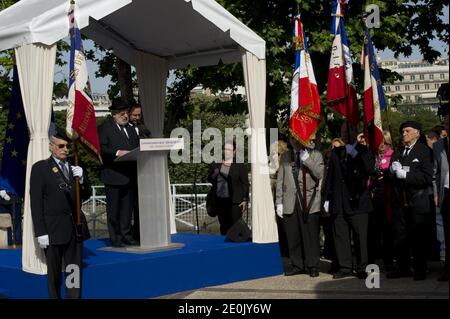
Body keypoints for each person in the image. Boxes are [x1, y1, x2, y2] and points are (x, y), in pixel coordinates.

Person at [30, 128, 90, 299]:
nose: (65, 149)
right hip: (53, 229)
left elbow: (85, 196)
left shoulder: (75, 167)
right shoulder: (41, 168)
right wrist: (41, 232)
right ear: (51, 147)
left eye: (67, 146)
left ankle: (73, 297)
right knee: (54, 273)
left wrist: (83, 180)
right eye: (61, 146)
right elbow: (36, 203)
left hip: (73, 228)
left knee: (74, 270)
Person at [324, 127, 375, 279]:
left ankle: (362, 267)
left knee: (360, 236)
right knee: (340, 235)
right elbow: (331, 176)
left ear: (355, 133)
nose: (345, 134)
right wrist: (327, 197)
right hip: (339, 200)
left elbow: (369, 169)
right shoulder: (335, 152)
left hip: (358, 200)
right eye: (343, 132)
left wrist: (355, 154)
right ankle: (345, 266)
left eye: (348, 131)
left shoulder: (364, 150)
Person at [388, 121, 433, 280]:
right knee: (400, 235)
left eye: (407, 131)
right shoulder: (399, 151)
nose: (404, 134)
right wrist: (392, 172)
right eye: (402, 132)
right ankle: (402, 267)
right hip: (400, 200)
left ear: (417, 133)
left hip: (417, 199)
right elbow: (391, 174)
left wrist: (406, 175)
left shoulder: (423, 151)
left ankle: (420, 269)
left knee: (418, 236)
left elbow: (427, 176)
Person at [276, 136, 324, 277]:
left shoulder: (316, 154)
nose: (295, 141)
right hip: (290, 200)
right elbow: (281, 179)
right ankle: (297, 264)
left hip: (308, 201)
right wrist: (278, 201)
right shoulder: (286, 156)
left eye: (297, 138)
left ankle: (312, 265)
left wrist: (307, 159)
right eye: (292, 139)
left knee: (310, 235)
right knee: (293, 235)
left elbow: (320, 173)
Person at [98, 98, 140, 247]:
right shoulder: (105, 128)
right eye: (122, 113)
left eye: (126, 113)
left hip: (129, 175)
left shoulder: (131, 129)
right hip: (113, 175)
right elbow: (101, 148)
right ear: (114, 114)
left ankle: (126, 236)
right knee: (114, 210)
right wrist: (117, 152)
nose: (125, 116)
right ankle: (115, 238)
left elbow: (137, 146)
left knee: (127, 210)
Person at [207, 141, 249, 236]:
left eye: (229, 150)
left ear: (234, 152)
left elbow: (245, 183)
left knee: (236, 226)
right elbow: (210, 179)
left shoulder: (239, 165)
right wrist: (215, 173)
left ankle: (236, 248)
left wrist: (245, 199)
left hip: (235, 202)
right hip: (221, 201)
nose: (227, 152)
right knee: (224, 227)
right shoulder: (217, 163)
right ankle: (224, 248)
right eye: (225, 149)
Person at [368, 131, 396, 270]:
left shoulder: (392, 155)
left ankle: (389, 260)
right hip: (373, 195)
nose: (382, 146)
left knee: (387, 230)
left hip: (386, 196)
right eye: (380, 142)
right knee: (374, 230)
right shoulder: (373, 156)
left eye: (385, 143)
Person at [433, 113, 449, 281]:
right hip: (446, 192)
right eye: (445, 124)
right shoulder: (438, 146)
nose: (447, 127)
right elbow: (435, 173)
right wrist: (436, 193)